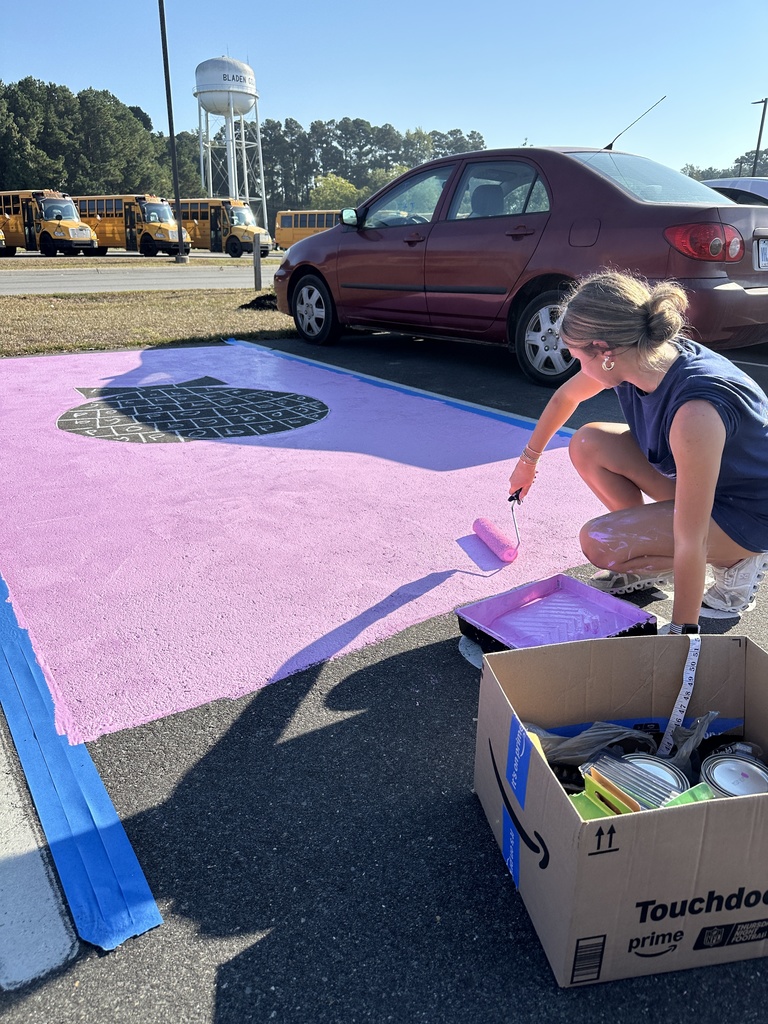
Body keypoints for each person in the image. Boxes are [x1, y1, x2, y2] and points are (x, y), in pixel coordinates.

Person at [508, 270, 768, 633]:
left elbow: (691, 538)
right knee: (588, 442)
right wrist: (528, 462)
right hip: (705, 482)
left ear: (604, 352)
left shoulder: (694, 412)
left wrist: (681, 633)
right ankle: (650, 554)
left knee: (600, 542)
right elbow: (565, 396)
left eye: (578, 358)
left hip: (749, 512)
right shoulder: (640, 353)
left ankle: (739, 560)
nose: (578, 368)